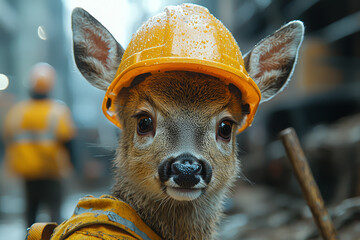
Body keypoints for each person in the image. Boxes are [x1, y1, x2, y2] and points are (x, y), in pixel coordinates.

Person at [3, 62, 76, 228]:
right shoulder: (58, 111)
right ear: (50, 86)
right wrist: (73, 166)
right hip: (52, 171)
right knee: (54, 215)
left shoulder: (18, 111)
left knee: (31, 213)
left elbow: (7, 138)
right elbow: (68, 142)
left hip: (28, 172)